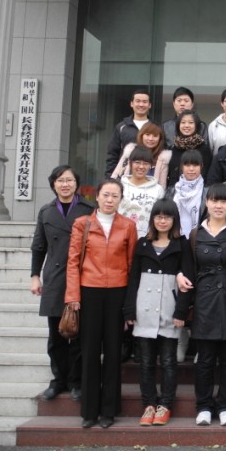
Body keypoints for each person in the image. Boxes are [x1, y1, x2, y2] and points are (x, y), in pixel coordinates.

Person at [65, 178, 137, 429]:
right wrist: (72, 296)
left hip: (118, 292)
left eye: (115, 196)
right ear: (97, 196)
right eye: (106, 195)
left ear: (121, 199)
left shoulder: (128, 226)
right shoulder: (82, 223)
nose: (109, 200)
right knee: (90, 351)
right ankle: (89, 410)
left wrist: (130, 302)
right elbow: (73, 261)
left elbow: (132, 265)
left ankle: (109, 410)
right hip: (89, 292)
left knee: (114, 351)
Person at [175, 184, 226, 427]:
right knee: (204, 359)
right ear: (206, 203)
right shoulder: (195, 235)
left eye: (223, 201)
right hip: (204, 303)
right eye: (214, 200)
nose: (218, 206)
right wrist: (179, 282)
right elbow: (187, 271)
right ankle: (203, 406)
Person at [124, 199, 193, 426]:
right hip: (144, 309)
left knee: (169, 360)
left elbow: (188, 280)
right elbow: (133, 279)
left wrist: (181, 312)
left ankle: (165, 404)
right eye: (158, 216)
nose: (162, 221)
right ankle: (148, 404)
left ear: (174, 220)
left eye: (167, 217)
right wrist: (129, 310)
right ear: (152, 219)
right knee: (146, 361)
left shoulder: (181, 244)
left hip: (169, 310)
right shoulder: (143, 244)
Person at [30, 165, 95, 402]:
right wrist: (35, 276)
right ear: (53, 184)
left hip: (83, 277)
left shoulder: (89, 209)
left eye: (69, 180)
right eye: (60, 180)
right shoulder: (46, 211)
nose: (65, 184)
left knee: (79, 335)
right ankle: (58, 380)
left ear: (76, 184)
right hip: (55, 278)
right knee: (56, 335)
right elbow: (39, 246)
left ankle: (76, 382)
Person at [118, 146, 166, 239]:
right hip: (120, 238)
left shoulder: (158, 190)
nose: (141, 166)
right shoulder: (119, 186)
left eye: (145, 163)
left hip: (147, 240)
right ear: (130, 163)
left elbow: (160, 216)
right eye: (137, 162)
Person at [105, 88, 153, 176]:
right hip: (124, 175)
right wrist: (110, 177)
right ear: (131, 103)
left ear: (149, 105)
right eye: (138, 101)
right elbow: (113, 154)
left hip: (149, 174)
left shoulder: (155, 127)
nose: (141, 104)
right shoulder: (122, 127)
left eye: (145, 102)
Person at [111, 121, 171, 187]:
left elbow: (162, 186)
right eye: (147, 134)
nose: (150, 139)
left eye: (155, 136)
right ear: (141, 135)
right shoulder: (130, 152)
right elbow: (115, 176)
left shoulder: (163, 158)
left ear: (160, 139)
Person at [167, 110, 213, 189]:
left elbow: (207, 175)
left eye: (191, 122)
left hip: (198, 191)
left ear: (197, 126)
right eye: (183, 122)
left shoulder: (204, 149)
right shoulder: (173, 148)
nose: (186, 125)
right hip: (175, 192)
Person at [169, 150, 207, 237]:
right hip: (175, 238)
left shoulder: (207, 192)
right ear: (181, 167)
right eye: (187, 165)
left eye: (195, 165)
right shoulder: (171, 191)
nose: (191, 169)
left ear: (201, 166)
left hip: (199, 238)